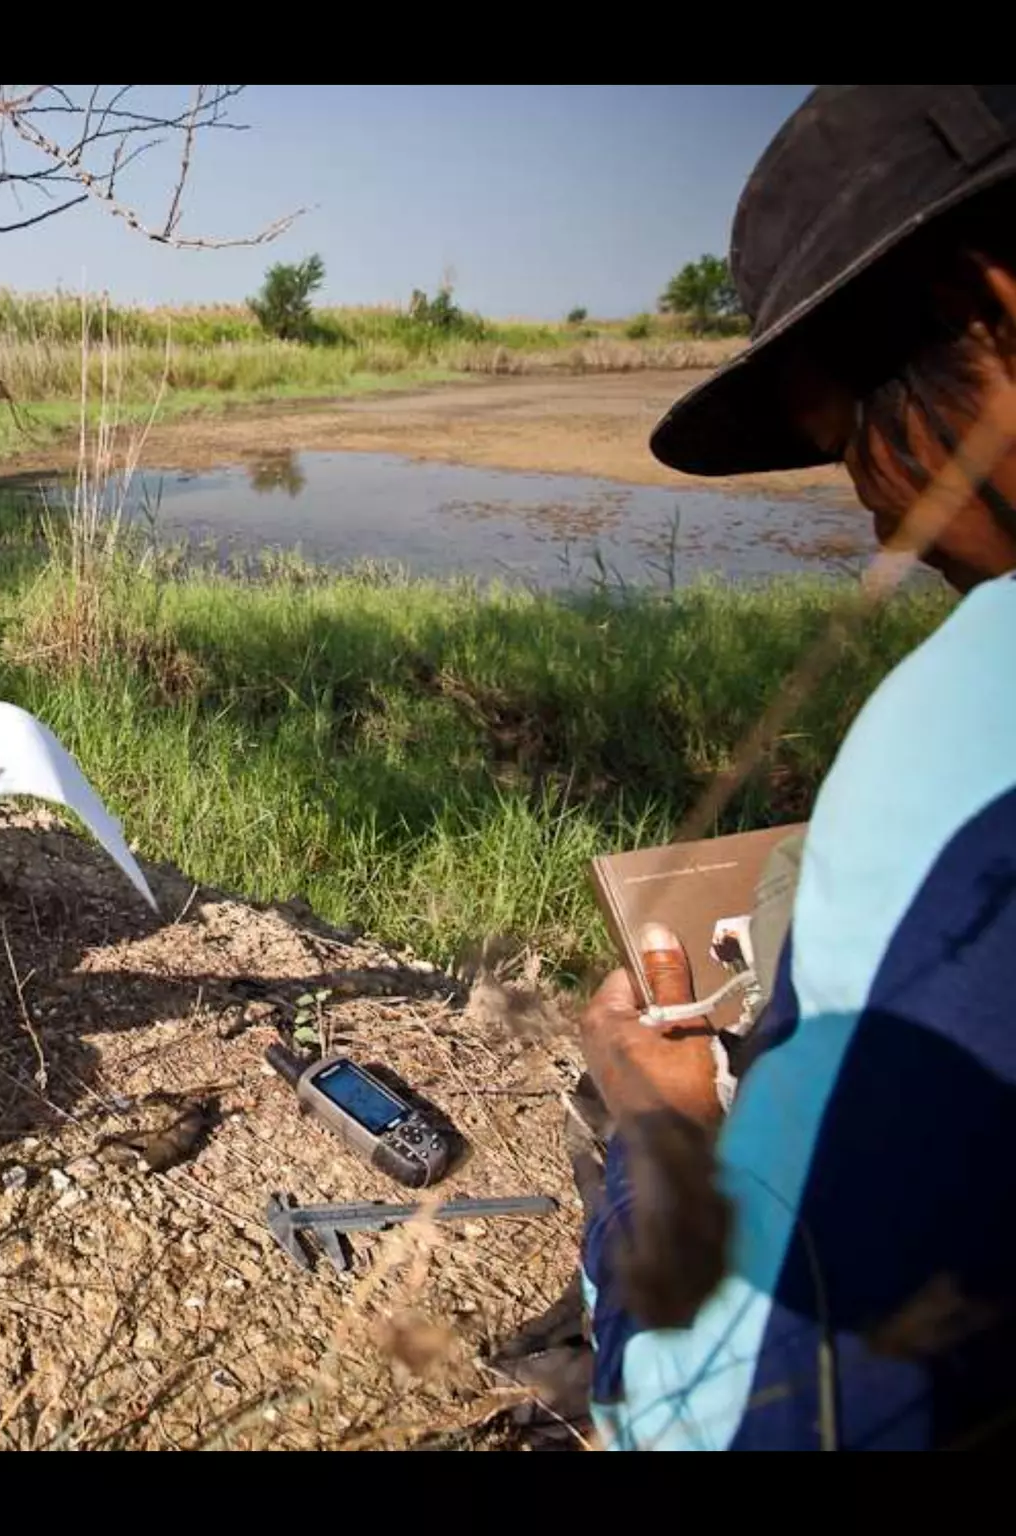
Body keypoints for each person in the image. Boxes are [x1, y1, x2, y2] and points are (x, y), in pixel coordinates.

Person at [571, 84, 1016, 1450]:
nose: (886, 523)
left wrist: (662, 1142)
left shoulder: (968, 724)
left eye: (853, 441)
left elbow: (740, 1416)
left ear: (986, 305)